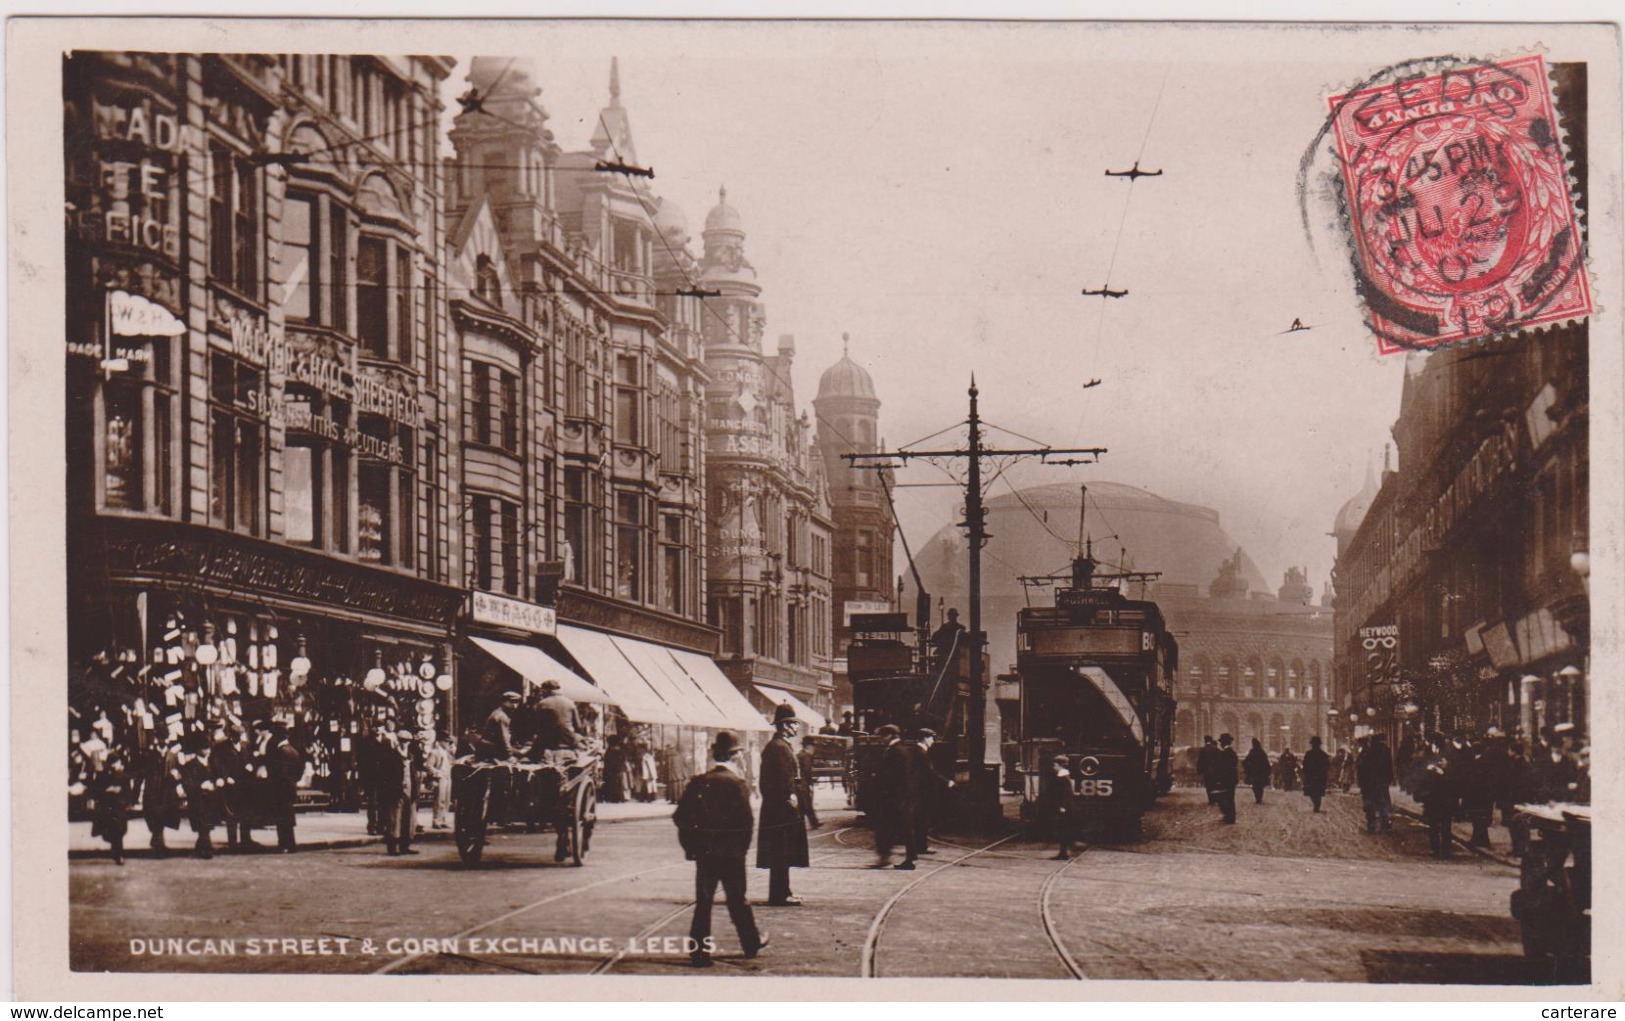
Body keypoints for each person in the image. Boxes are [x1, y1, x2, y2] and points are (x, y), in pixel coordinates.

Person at [674, 731, 767, 967]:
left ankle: (699, 952)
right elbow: (746, 823)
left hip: (706, 854)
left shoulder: (700, 781)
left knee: (703, 903)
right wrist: (740, 850)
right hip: (732, 855)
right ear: (735, 756)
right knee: (737, 900)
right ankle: (750, 943)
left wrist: (692, 847)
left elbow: (680, 816)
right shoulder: (738, 784)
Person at [757, 705, 809, 905]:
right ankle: (779, 895)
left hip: (780, 807)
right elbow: (781, 779)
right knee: (781, 851)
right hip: (782, 810)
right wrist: (790, 798)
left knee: (783, 851)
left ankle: (783, 891)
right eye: (794, 723)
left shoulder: (780, 745)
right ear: (785, 725)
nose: (797, 727)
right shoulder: (778, 747)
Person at [904, 728, 954, 857]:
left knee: (921, 819)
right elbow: (929, 773)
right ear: (925, 738)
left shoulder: (918, 751)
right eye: (931, 738)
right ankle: (921, 847)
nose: (933, 741)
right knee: (921, 819)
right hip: (921, 792)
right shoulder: (920, 753)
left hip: (919, 791)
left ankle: (920, 846)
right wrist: (946, 781)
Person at [870, 724, 909, 868]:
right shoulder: (894, 750)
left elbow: (899, 777)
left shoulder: (897, 751)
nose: (881, 739)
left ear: (890, 735)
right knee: (885, 827)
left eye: (883, 736)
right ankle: (884, 856)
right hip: (889, 796)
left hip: (891, 797)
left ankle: (885, 857)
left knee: (885, 827)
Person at [179, 731, 221, 859]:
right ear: (198, 750)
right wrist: (200, 786)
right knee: (203, 823)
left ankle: (201, 845)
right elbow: (187, 783)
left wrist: (218, 781)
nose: (207, 751)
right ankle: (206, 849)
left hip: (211, 799)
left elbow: (220, 774)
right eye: (204, 749)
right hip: (197, 800)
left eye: (208, 748)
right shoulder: (190, 766)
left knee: (206, 825)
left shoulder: (213, 763)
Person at [262, 724, 304, 853]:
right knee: (288, 818)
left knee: (282, 819)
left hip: (281, 790)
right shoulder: (293, 750)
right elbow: (299, 771)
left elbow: (281, 773)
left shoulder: (281, 752)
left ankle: (284, 844)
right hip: (290, 789)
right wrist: (293, 782)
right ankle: (290, 844)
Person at [142, 737, 184, 858]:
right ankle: (159, 843)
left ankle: (157, 841)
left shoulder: (173, 755)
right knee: (157, 814)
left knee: (164, 814)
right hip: (154, 790)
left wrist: (177, 775)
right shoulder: (150, 755)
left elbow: (181, 771)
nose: (161, 743)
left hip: (167, 791)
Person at [379, 728, 419, 856]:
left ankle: (404, 845)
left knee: (408, 818)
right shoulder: (391, 755)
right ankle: (392, 846)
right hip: (396, 790)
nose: (404, 743)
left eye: (407, 741)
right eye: (402, 740)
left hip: (410, 789)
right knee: (395, 819)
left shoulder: (411, 756)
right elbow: (386, 775)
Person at [1416, 736, 1457, 858]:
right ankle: (1436, 849)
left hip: (1445, 799)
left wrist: (1443, 773)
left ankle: (1445, 850)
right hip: (1434, 799)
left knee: (1444, 825)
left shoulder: (1450, 760)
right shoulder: (1431, 757)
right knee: (1434, 825)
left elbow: (1454, 780)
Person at [89, 749, 132, 865]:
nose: (114, 766)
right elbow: (95, 791)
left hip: (118, 808)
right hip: (108, 809)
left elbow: (129, 794)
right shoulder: (103, 775)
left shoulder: (124, 776)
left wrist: (121, 794)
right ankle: (118, 855)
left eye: (116, 763)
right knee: (114, 832)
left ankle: (117, 854)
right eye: (112, 763)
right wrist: (108, 790)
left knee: (119, 831)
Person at [1041, 753, 1076, 859]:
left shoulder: (1063, 776)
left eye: (1055, 765)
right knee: (1062, 829)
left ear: (1060, 765)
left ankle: (1063, 853)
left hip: (1064, 808)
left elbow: (1066, 793)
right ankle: (1063, 852)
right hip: (1063, 807)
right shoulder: (1064, 775)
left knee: (1063, 829)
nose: (1054, 767)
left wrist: (1063, 806)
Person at [1356, 733, 1393, 833]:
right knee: (1382, 803)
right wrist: (1389, 779)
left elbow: (1361, 768)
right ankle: (1385, 823)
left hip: (1368, 783)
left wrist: (1361, 782)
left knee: (1369, 804)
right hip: (1381, 782)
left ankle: (1371, 824)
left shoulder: (1367, 752)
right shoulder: (1386, 750)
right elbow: (1389, 766)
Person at [481, 691, 528, 760]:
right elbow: (504, 738)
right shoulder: (501, 716)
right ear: (504, 702)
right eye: (512, 701)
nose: (515, 705)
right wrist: (509, 756)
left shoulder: (500, 712)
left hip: (494, 747)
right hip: (492, 750)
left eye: (517, 702)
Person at [425, 733, 454, 830]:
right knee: (439, 800)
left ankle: (443, 820)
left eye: (448, 742)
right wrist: (437, 774)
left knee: (446, 800)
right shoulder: (434, 752)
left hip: (447, 777)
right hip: (440, 778)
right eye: (446, 741)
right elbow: (429, 766)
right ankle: (436, 820)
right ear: (440, 741)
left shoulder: (447, 753)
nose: (447, 744)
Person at [1210, 734, 1239, 823]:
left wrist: (1219, 779)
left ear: (1223, 743)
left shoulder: (1224, 753)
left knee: (1226, 798)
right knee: (1230, 797)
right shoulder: (1232, 752)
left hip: (1226, 779)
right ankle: (1230, 816)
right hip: (1232, 779)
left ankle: (1229, 817)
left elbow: (1222, 768)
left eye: (1221, 742)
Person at [796, 736, 821, 830]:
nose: (814, 749)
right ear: (809, 747)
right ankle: (813, 823)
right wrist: (810, 783)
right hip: (804, 783)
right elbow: (807, 771)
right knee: (806, 804)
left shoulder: (799, 754)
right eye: (813, 746)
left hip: (799, 783)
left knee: (803, 804)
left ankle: (812, 822)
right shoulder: (806, 756)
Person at [1301, 735, 1330, 813]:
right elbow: (1327, 765)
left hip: (1312, 775)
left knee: (1312, 791)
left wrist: (1305, 772)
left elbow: (1305, 765)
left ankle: (1316, 805)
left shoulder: (1309, 754)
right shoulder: (1323, 754)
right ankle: (1317, 805)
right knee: (1317, 792)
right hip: (1319, 775)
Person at [1243, 739, 1271, 805]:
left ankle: (1257, 798)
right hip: (1260, 772)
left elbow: (1247, 760)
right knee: (1260, 786)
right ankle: (1259, 798)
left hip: (1254, 771)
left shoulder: (1252, 751)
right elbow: (1266, 762)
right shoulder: (1262, 752)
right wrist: (1267, 771)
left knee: (1255, 786)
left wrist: (1247, 768)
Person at [1196, 736, 1218, 803]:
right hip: (1215, 770)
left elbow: (1200, 761)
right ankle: (1214, 798)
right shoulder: (1215, 749)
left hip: (1207, 771)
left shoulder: (1203, 750)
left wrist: (1199, 771)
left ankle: (1211, 799)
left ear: (1205, 741)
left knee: (1208, 785)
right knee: (1214, 784)